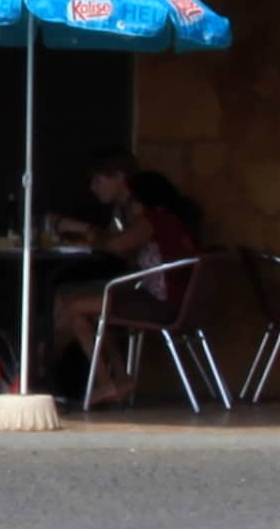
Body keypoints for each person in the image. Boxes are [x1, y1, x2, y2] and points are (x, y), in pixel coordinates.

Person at [53, 151, 202, 407]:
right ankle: (119, 379)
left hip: (162, 303)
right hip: (164, 299)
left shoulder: (153, 220)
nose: (130, 205)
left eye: (133, 200)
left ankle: (100, 381)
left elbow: (118, 247)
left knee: (74, 307)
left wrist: (90, 234)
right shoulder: (165, 220)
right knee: (83, 307)